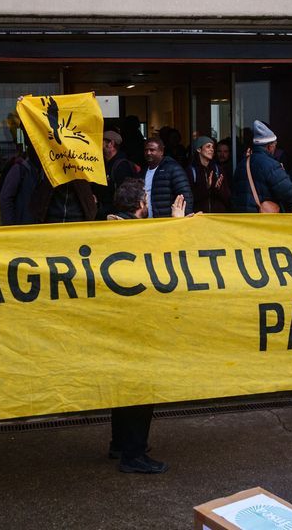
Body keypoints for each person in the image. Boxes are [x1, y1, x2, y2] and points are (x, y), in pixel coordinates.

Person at [102, 177, 183, 474]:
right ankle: (133, 454)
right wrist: (176, 225)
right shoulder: (136, 233)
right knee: (141, 388)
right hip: (137, 321)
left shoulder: (106, 230)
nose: (148, 205)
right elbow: (162, 262)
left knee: (123, 385)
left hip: (115, 321)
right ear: (140, 205)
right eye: (146, 201)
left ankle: (120, 444)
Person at [231, 121, 292, 213]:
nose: (275, 148)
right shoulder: (272, 165)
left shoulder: (242, 164)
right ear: (269, 146)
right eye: (274, 145)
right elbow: (287, 192)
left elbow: (235, 193)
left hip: (242, 218)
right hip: (262, 218)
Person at [142, 137, 193, 218]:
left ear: (161, 152)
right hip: (148, 222)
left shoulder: (173, 169)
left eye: (152, 150)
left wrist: (184, 221)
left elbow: (185, 197)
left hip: (167, 222)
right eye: (146, 150)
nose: (148, 153)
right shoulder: (142, 172)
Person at [96, 130, 138, 217]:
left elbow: (125, 196)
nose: (98, 144)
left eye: (101, 141)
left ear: (110, 143)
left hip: (116, 216)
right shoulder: (103, 163)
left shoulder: (122, 166)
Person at [187, 136, 229, 213]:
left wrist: (218, 189)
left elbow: (227, 197)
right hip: (199, 217)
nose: (212, 149)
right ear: (199, 149)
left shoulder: (218, 170)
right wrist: (206, 188)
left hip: (217, 217)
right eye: (208, 146)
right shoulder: (191, 171)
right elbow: (189, 197)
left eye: (213, 147)